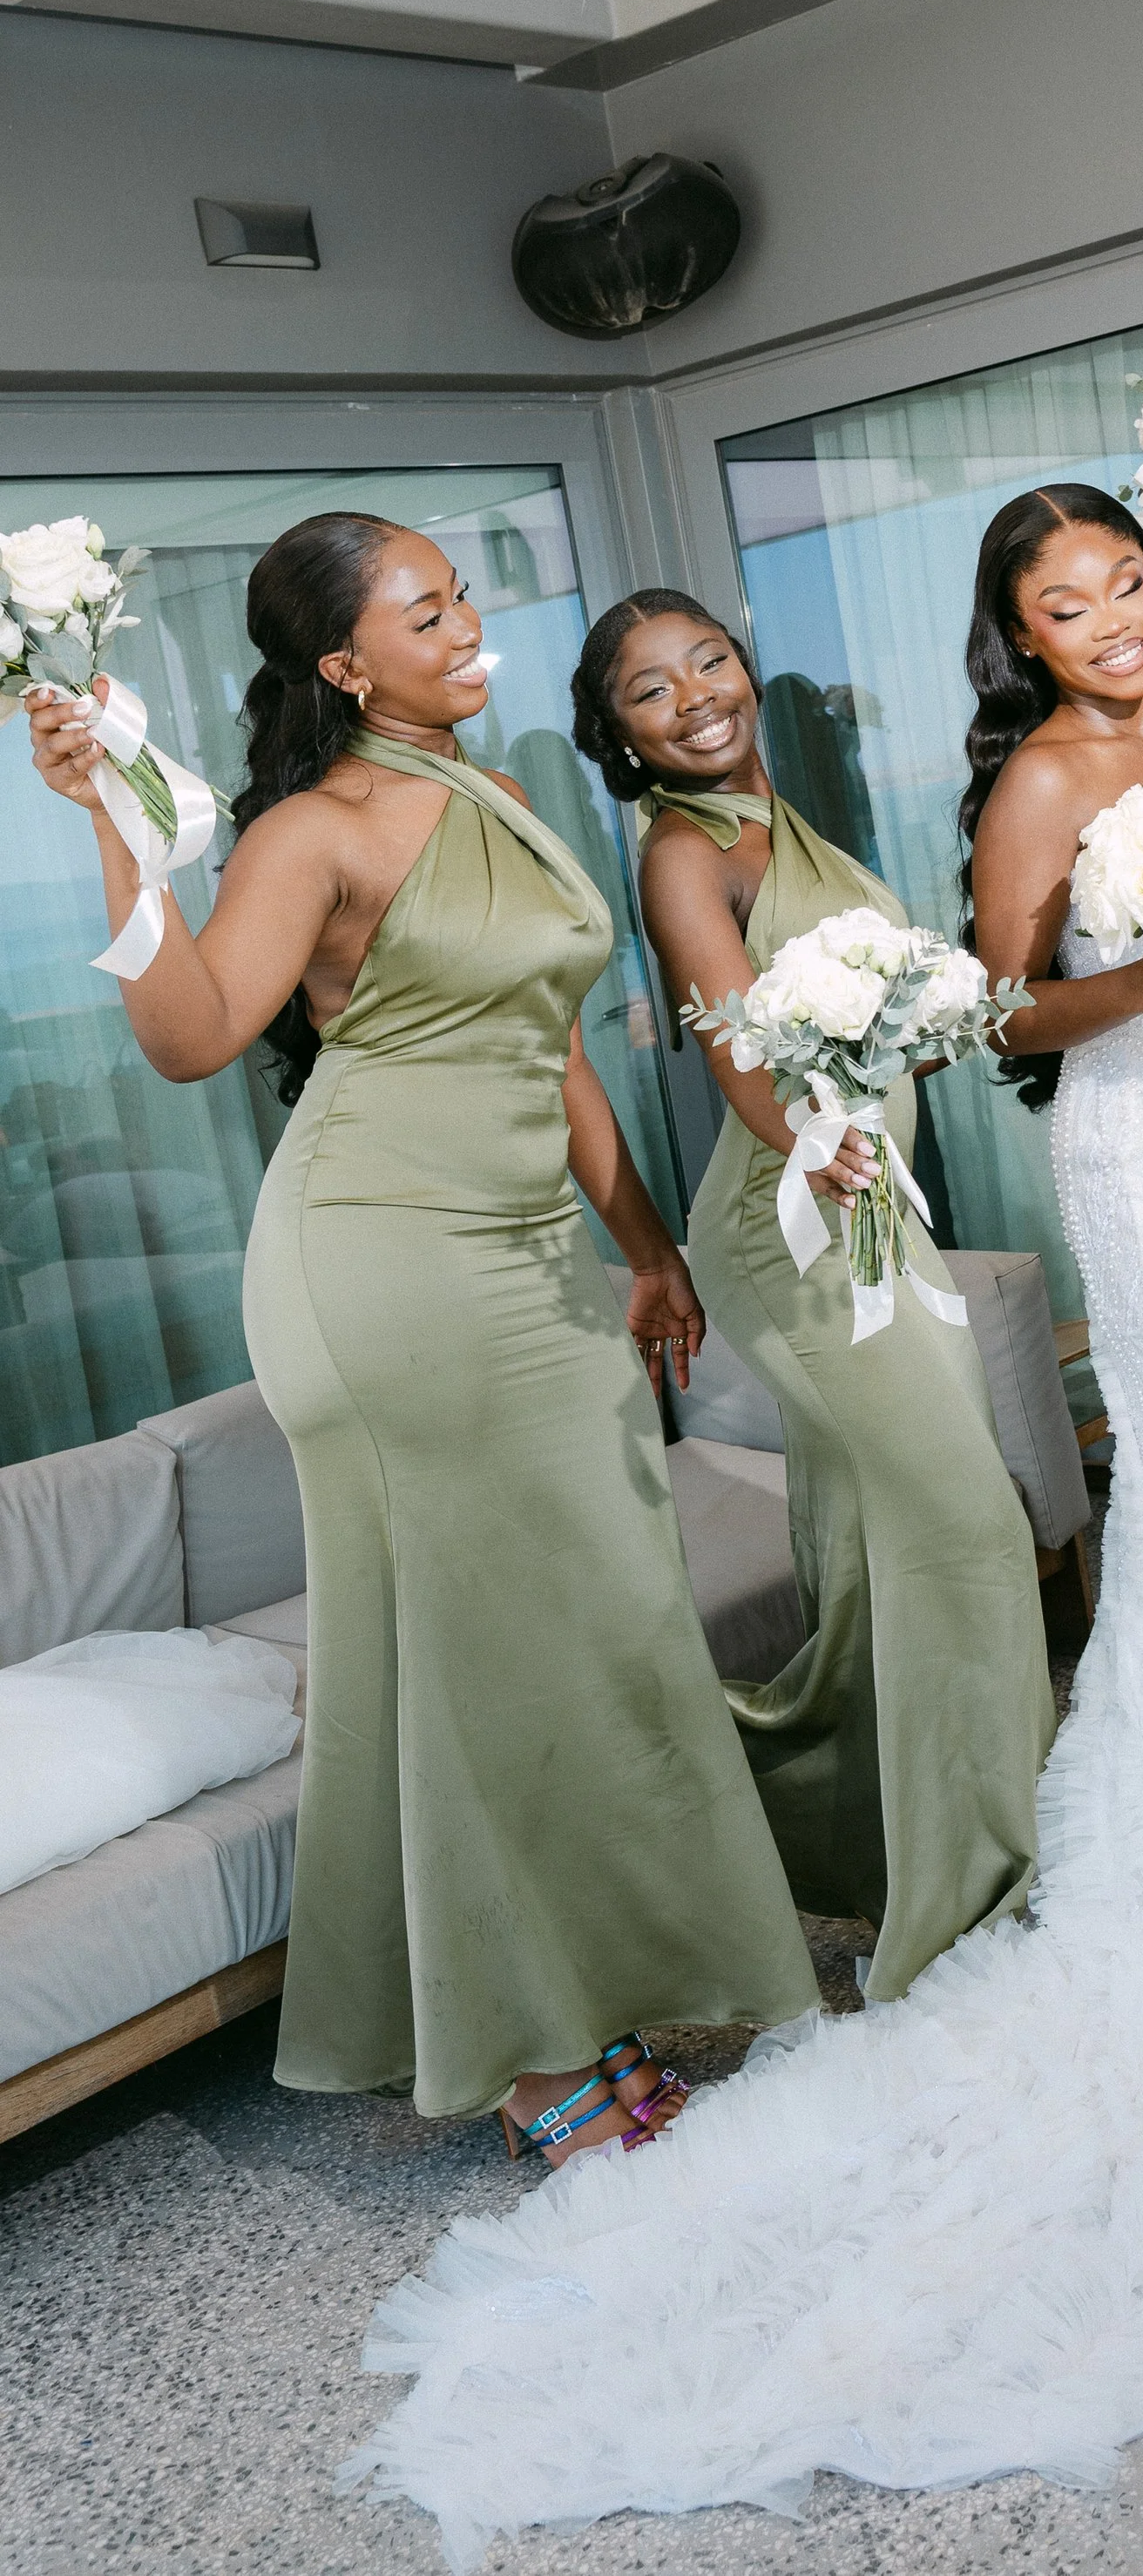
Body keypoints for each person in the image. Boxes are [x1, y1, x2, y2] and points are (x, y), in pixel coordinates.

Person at [347, 483, 1143, 2552]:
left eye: (1131, 581)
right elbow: (1000, 1006)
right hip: (1044, 1173)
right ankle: (1015, 1876)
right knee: (1100, 1506)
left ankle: (1127, 1809)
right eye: (1070, 599)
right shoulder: (972, 792)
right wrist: (1047, 1035)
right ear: (1018, 635)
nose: (1115, 616)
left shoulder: (1078, 761)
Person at [29, 515, 818, 2164]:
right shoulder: (309, 832)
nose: (468, 627)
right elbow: (189, 1036)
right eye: (428, 610)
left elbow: (557, 1049)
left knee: (604, 1619)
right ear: (343, 662)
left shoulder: (495, 789)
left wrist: (646, 1245)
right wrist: (114, 822)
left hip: (533, 1262)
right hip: (384, 1264)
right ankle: (527, 2050)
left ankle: (601, 1973)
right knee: (480, 1652)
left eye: (462, 600)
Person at [570, 588, 1052, 2003]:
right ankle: (990, 1882)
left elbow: (880, 1035)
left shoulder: (791, 826)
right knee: (966, 1521)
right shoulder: (681, 852)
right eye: (652, 689)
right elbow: (737, 1048)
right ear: (621, 735)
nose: (695, 696)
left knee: (869, 1545)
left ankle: (848, 1838)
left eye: (709, 660)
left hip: (869, 1201)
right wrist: (812, 1139)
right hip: (792, 1217)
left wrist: (936, 1018)